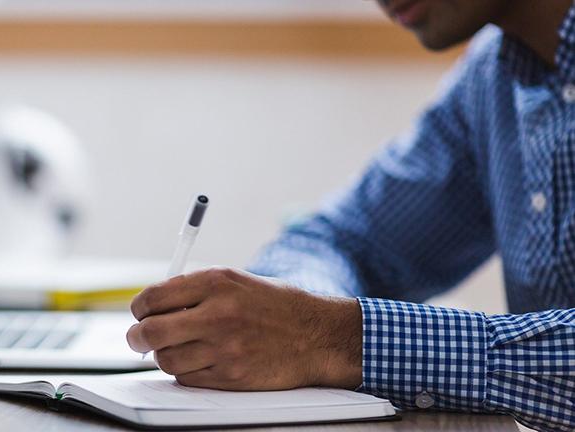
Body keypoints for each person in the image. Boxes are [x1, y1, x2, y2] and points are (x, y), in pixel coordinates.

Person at [125, 1, 575, 431]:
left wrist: (333, 338)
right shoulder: (493, 78)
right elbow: (341, 241)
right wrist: (288, 319)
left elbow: (327, 327)